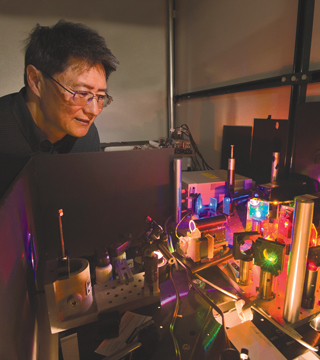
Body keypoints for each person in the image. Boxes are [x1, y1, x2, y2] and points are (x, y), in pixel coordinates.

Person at [0, 19, 119, 199]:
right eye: (81, 93)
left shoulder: (86, 137)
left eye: (100, 97)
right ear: (36, 81)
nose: (94, 110)